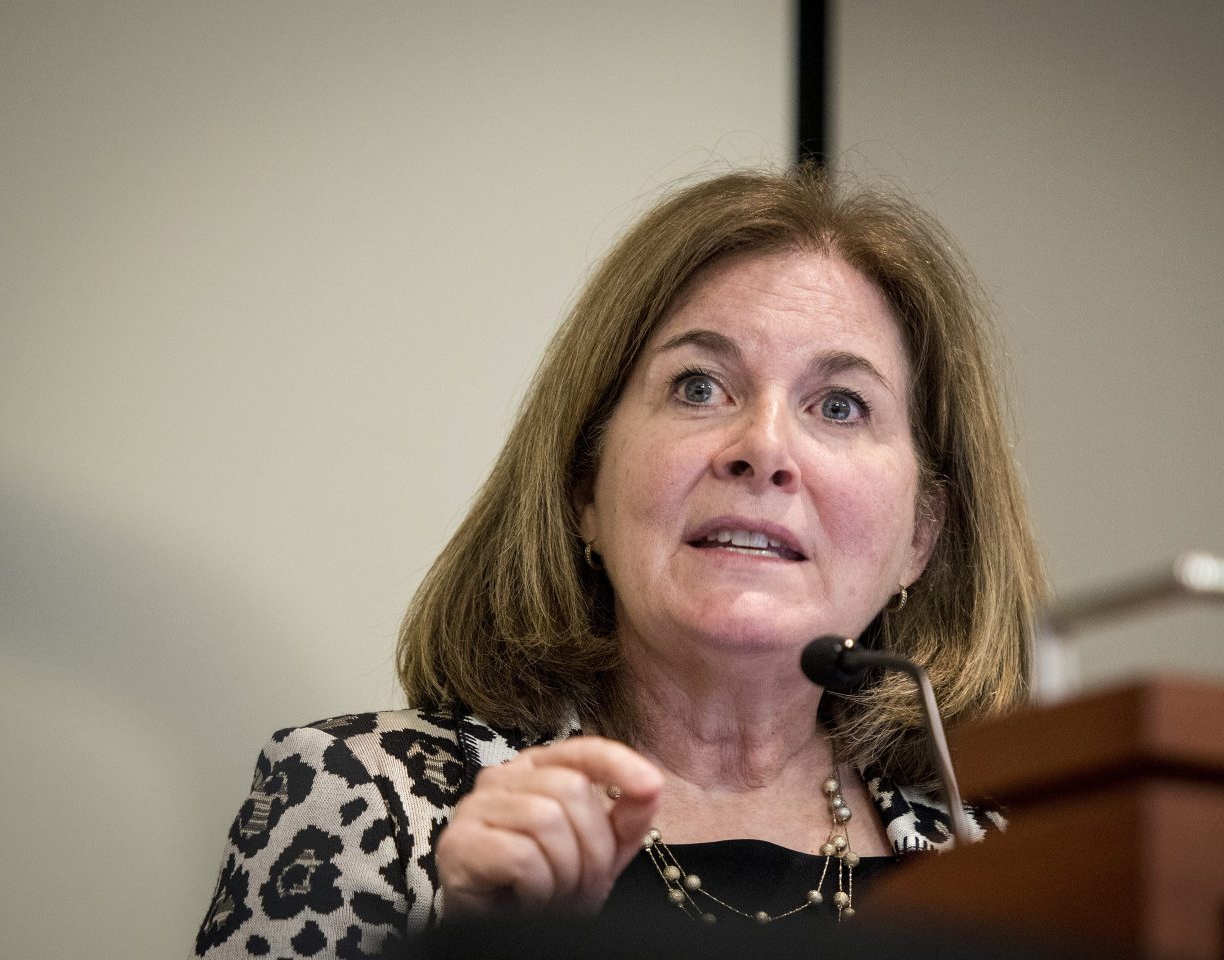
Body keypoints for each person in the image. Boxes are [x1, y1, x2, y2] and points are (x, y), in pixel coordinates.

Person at [192, 168, 1042, 959]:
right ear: (582, 486)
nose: (765, 449)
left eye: (840, 405)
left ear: (921, 536)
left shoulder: (1015, 863)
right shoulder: (361, 798)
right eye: (699, 387)